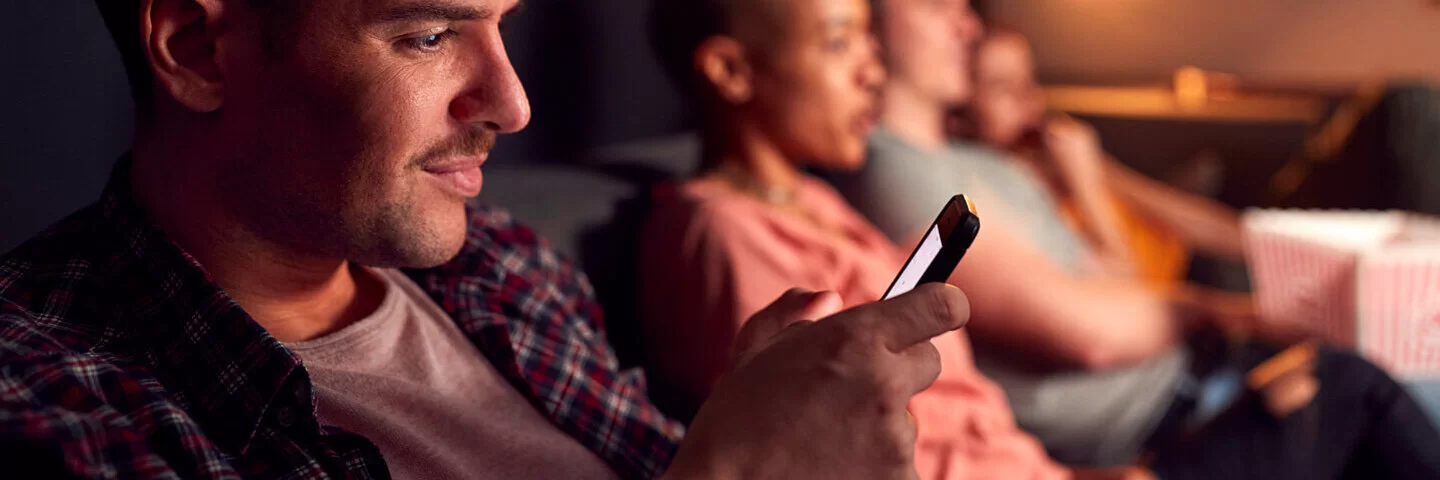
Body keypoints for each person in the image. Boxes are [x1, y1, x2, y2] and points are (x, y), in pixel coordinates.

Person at [0, 0, 975, 478]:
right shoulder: (47, 403)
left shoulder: (503, 266)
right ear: (199, 51)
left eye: (504, 24)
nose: (510, 104)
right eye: (429, 34)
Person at [831, 2, 1440, 477]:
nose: (966, 25)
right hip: (1164, 419)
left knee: (1408, 368)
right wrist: (1235, 316)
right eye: (939, 6)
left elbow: (1123, 277)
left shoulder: (989, 164)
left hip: (1194, 366)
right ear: (872, 28)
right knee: (1366, 381)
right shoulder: (896, 170)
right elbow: (1090, 335)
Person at [638, 1, 1146, 479]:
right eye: (838, 44)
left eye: (868, 44)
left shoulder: (814, 199)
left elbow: (965, 425)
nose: (873, 74)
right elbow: (807, 449)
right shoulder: (724, 232)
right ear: (732, 70)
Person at [956, 28, 1246, 291]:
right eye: (1001, 86)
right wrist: (1085, 183)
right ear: (962, 111)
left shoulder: (1054, 157)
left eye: (1029, 81)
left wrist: (1257, 244)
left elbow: (1167, 208)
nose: (1026, 98)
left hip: (1193, 266)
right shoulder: (999, 200)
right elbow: (1130, 292)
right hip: (1174, 303)